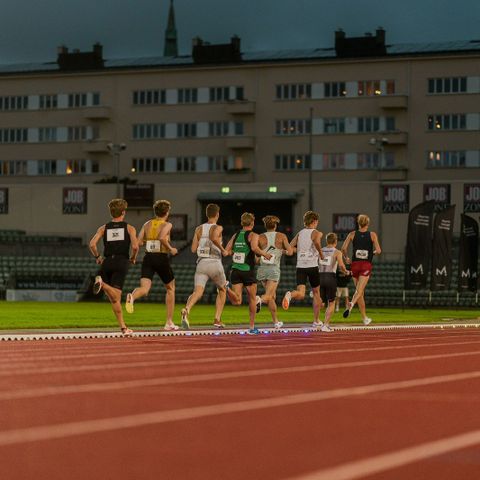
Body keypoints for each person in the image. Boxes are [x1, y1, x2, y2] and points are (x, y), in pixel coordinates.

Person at [125, 199, 179, 331]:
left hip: (148, 258)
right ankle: (169, 322)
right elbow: (161, 238)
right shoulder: (167, 224)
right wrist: (171, 249)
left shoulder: (147, 224)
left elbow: (138, 243)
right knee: (170, 288)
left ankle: (132, 296)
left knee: (144, 289)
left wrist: (134, 257)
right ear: (166, 212)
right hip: (161, 258)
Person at [89, 198, 139, 336]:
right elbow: (135, 246)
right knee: (116, 294)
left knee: (114, 298)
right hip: (121, 261)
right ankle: (102, 284)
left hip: (107, 263)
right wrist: (133, 258)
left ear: (111, 212)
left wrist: (98, 257)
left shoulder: (104, 228)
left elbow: (92, 244)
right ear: (123, 212)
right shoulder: (129, 228)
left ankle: (123, 327)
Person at [181, 203, 229, 330]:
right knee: (223, 290)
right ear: (217, 214)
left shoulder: (198, 229)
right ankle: (217, 319)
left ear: (207, 214)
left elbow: (192, 249)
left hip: (201, 264)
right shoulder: (218, 227)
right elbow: (213, 238)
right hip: (214, 263)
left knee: (197, 292)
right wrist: (223, 250)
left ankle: (187, 309)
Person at [225, 212, 272, 335]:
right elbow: (254, 248)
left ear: (242, 223)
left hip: (235, 270)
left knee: (237, 301)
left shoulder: (235, 236)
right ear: (252, 223)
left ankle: (226, 288)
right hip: (247, 271)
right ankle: (251, 328)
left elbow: (226, 251)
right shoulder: (253, 235)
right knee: (252, 299)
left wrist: (235, 252)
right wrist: (265, 254)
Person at [282, 211, 324, 327]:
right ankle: (316, 320)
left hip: (300, 266)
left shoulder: (300, 233)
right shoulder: (317, 232)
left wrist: (285, 251)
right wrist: (321, 253)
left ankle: (290, 294)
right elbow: (316, 241)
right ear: (314, 221)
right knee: (316, 293)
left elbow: (290, 247)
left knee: (300, 293)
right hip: (312, 266)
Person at [341, 214, 382, 325]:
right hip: (365, 265)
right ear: (367, 224)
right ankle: (351, 304)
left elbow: (343, 248)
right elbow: (378, 250)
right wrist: (372, 253)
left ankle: (364, 318)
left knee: (360, 292)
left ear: (358, 223)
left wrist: (346, 258)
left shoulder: (352, 234)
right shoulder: (372, 235)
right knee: (359, 292)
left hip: (355, 265)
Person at [256, 215, 294, 329]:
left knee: (272, 296)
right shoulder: (281, 236)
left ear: (265, 225)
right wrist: (283, 251)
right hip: (273, 269)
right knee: (268, 296)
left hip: (262, 269)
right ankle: (259, 299)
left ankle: (276, 321)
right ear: (276, 225)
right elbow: (291, 251)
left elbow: (256, 258)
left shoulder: (259, 237)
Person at [318, 232, 350, 332]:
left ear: (327, 241)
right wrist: (346, 271)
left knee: (320, 302)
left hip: (319, 276)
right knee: (331, 302)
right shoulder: (337, 252)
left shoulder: (320, 250)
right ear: (335, 241)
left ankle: (316, 321)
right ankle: (325, 325)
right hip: (330, 277)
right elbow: (341, 265)